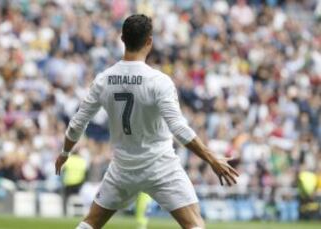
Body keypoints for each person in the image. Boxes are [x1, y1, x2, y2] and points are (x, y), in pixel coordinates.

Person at [55, 14, 239, 229]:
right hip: (160, 165)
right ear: (149, 41)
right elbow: (178, 128)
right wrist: (211, 158)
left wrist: (65, 153)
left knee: (91, 223)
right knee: (194, 225)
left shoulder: (104, 79)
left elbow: (77, 123)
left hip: (123, 167)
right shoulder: (159, 81)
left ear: (122, 38)